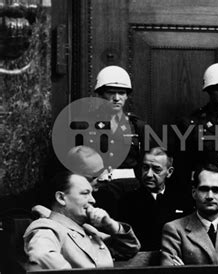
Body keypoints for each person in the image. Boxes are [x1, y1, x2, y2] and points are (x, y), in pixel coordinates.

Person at [23, 171, 140, 269]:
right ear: (61, 198)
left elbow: (129, 250)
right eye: (85, 194)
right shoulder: (48, 228)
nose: (93, 200)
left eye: (91, 194)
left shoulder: (88, 230)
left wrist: (110, 224)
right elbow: (41, 255)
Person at [160, 164, 218, 265]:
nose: (210, 196)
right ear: (194, 192)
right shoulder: (174, 229)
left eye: (216, 190)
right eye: (204, 189)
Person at [92, 65, 148, 218]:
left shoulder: (137, 126)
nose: (116, 98)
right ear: (100, 94)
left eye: (121, 93)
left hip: (131, 191)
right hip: (99, 191)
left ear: (127, 96)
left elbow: (146, 161)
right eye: (111, 93)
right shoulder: (85, 125)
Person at [118, 147, 193, 251]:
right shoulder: (127, 202)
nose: (148, 174)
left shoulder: (183, 201)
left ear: (169, 172)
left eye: (156, 169)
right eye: (145, 167)